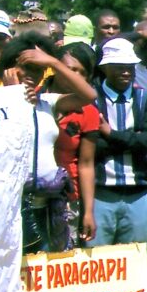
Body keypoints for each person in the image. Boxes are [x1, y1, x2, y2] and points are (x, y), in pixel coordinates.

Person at [0, 33, 99, 253]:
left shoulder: (47, 103)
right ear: (9, 68)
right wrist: (12, 96)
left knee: (49, 264)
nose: (31, 75)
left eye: (37, 69)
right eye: (25, 67)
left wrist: (54, 62)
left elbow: (89, 95)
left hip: (47, 205)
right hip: (12, 206)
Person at [86, 38, 147, 247]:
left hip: (138, 195)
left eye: (130, 66)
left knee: (135, 260)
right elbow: (91, 147)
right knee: (99, 261)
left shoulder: (144, 99)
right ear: (105, 67)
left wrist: (110, 134)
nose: (126, 72)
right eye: (119, 66)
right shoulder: (92, 99)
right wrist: (133, 139)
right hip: (101, 195)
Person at [48, 42, 100, 248]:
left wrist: (88, 212)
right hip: (31, 196)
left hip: (68, 199)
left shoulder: (89, 112)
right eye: (70, 69)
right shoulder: (32, 97)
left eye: (82, 72)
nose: (75, 76)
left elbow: (86, 164)